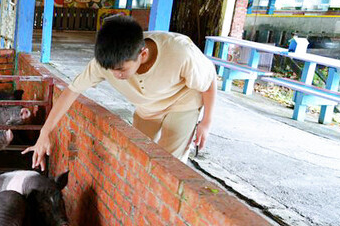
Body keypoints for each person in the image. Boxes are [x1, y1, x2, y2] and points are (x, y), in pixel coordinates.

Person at [23, 16, 217, 169]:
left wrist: (206, 123)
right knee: (138, 154)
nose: (116, 75)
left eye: (122, 70)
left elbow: (209, 83)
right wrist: (44, 132)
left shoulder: (180, 52)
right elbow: (71, 92)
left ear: (143, 54)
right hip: (147, 107)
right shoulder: (105, 64)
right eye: (112, 70)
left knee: (169, 162)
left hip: (182, 102)